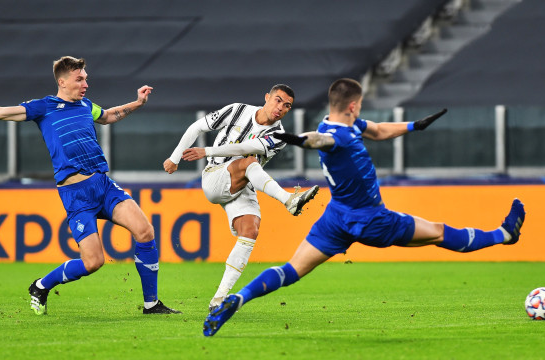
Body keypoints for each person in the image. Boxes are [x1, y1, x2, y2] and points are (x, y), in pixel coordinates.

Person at [202, 78, 526, 336]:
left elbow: (380, 130)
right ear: (354, 105)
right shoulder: (334, 136)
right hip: (372, 220)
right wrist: (297, 139)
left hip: (335, 219)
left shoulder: (343, 123)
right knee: (440, 233)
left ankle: (237, 299)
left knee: (291, 271)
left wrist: (414, 126)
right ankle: (504, 235)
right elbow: (319, 140)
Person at [0, 56, 181, 315]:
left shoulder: (86, 105)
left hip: (103, 185)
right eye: (79, 79)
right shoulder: (44, 107)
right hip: (76, 195)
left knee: (145, 231)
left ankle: (151, 304)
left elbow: (107, 116)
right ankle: (41, 285)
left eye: (86, 78)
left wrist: (138, 103)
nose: (85, 83)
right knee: (94, 262)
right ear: (62, 82)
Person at [163, 84, 319, 312]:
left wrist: (206, 150)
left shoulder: (279, 136)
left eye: (287, 106)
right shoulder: (237, 110)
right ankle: (288, 200)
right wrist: (175, 157)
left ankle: (218, 299)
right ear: (266, 97)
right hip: (215, 177)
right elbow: (197, 127)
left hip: (243, 182)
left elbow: (244, 147)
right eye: (277, 100)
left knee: (250, 230)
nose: (281, 108)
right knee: (249, 162)